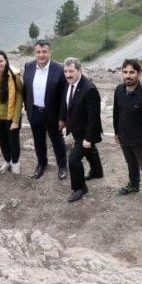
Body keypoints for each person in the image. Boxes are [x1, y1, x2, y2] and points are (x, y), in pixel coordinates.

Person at [113, 59, 142, 203]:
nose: (128, 75)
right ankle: (133, 185)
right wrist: (116, 133)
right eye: (125, 72)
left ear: (139, 75)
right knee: (130, 163)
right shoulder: (119, 90)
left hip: (140, 140)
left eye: (132, 72)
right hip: (124, 137)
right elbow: (116, 113)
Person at [22, 39, 68, 180]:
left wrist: (62, 117)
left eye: (44, 52)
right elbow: (25, 90)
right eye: (38, 52)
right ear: (35, 53)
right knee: (38, 140)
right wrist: (28, 109)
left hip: (52, 114)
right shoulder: (28, 66)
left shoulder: (59, 69)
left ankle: (62, 166)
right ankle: (42, 164)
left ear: (50, 52)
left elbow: (63, 96)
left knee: (57, 140)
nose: (41, 55)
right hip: (34, 111)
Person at [59, 57, 103, 203]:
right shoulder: (69, 83)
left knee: (73, 160)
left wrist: (88, 139)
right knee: (90, 151)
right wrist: (62, 120)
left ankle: (80, 188)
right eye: (66, 71)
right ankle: (97, 172)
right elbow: (66, 103)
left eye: (71, 71)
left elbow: (93, 117)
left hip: (86, 132)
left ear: (79, 70)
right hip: (76, 129)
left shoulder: (89, 89)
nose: (68, 74)